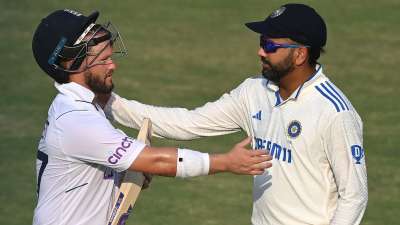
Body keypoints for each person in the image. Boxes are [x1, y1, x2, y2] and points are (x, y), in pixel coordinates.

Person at [103, 3, 368, 225]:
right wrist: (110, 103)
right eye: (261, 42)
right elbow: (188, 123)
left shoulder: (334, 113)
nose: (260, 51)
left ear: (300, 54)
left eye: (270, 46)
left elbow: (354, 196)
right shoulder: (254, 92)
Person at [31, 9, 273, 225]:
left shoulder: (84, 105)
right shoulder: (75, 119)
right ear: (71, 63)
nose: (112, 66)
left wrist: (124, 176)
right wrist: (226, 162)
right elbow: (157, 161)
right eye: (103, 60)